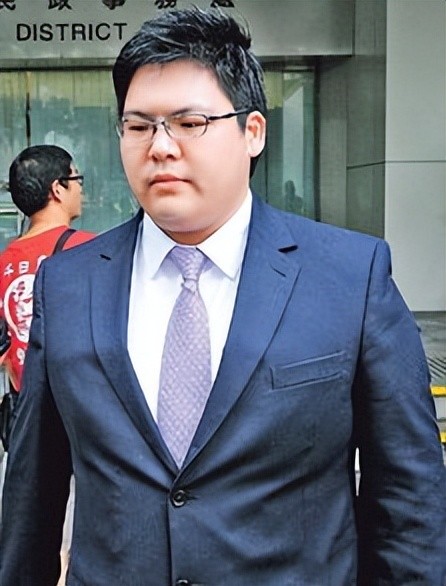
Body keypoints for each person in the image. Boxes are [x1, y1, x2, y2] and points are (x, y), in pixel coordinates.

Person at [0, 8, 445, 585]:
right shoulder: (67, 284)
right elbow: (33, 496)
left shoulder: (349, 276)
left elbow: (408, 495)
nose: (160, 146)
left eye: (190, 122)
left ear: (252, 132)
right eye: (138, 126)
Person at [0, 145, 94, 394]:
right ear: (58, 189)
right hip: (76, 401)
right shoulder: (89, 249)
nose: (80, 189)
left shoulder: (5, 261)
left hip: (26, 405)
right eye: (77, 179)